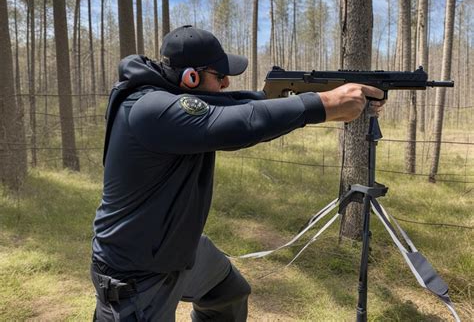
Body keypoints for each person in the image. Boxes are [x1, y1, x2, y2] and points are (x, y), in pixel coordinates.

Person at [90, 25, 385, 321]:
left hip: (178, 249)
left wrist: (316, 93)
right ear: (190, 77)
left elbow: (238, 105)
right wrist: (327, 104)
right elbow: (241, 122)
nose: (227, 82)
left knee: (228, 293)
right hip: (135, 275)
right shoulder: (148, 108)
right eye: (219, 76)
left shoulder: (168, 98)